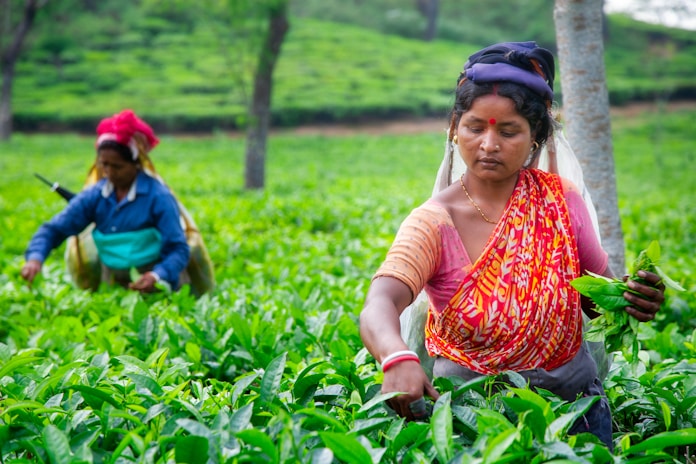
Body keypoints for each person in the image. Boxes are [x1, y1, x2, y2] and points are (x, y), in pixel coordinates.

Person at [359, 41, 665, 448]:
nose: (489, 144)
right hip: (474, 421)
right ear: (454, 127)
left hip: (572, 415)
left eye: (508, 131)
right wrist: (396, 357)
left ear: (535, 136)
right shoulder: (434, 222)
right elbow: (380, 303)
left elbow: (595, 298)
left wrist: (631, 299)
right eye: (474, 127)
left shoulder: (561, 201)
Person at [21, 109, 190, 293]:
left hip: (157, 281)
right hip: (113, 281)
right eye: (104, 164)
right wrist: (35, 259)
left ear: (136, 164)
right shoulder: (95, 195)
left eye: (117, 166)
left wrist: (156, 275)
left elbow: (178, 249)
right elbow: (54, 229)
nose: (109, 172)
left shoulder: (158, 197)